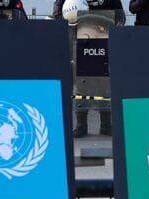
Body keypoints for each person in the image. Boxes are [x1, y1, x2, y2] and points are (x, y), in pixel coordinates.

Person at [53, 0, 125, 137]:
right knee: (80, 84)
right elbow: (58, 13)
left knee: (104, 84)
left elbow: (120, 14)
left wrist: (117, 27)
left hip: (102, 37)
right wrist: (65, 23)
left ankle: (106, 125)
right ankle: (81, 126)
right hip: (77, 39)